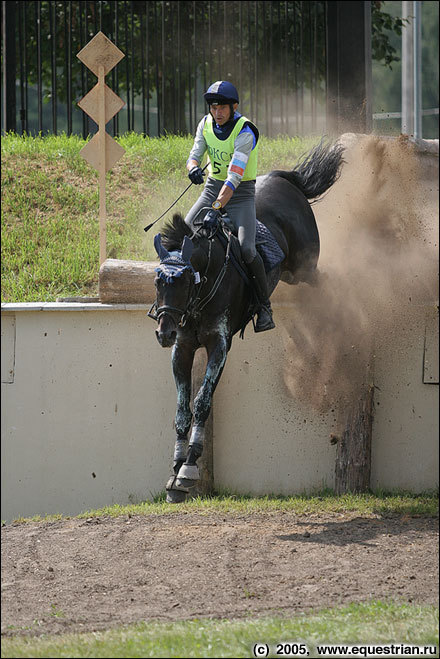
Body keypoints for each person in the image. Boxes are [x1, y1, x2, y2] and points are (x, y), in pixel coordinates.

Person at [184, 80, 275, 333]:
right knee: (185, 238)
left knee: (246, 248)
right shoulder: (205, 124)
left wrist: (215, 209)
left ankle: (264, 306)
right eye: (214, 107)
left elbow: (234, 178)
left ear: (234, 106)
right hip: (212, 188)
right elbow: (195, 153)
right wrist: (192, 169)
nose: (218, 112)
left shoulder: (245, 131)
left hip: (240, 195)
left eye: (223, 107)